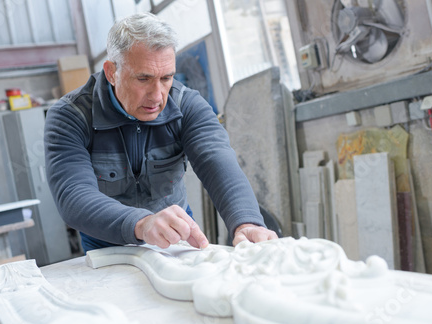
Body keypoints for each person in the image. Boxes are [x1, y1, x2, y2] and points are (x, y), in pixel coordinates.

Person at [44, 12, 277, 253]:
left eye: (166, 78)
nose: (157, 96)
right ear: (112, 72)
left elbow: (216, 159)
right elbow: (73, 195)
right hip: (106, 245)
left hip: (176, 236)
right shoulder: (70, 116)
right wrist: (142, 223)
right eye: (143, 79)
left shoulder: (187, 105)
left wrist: (246, 220)